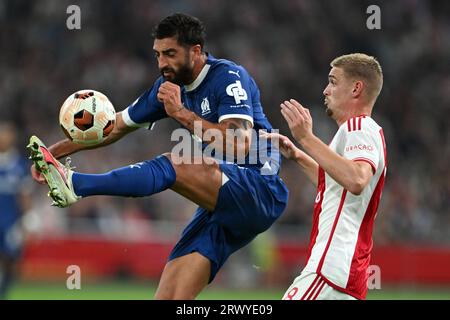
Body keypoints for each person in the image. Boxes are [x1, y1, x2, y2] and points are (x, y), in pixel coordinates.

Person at [28, 13, 288, 299]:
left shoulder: (228, 77)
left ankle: (77, 184)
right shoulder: (165, 88)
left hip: (259, 188)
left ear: (196, 51)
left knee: (174, 161)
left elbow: (238, 145)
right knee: (170, 298)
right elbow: (114, 128)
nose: (162, 63)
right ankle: (73, 181)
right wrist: (56, 151)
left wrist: (181, 114)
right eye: (158, 54)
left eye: (170, 54)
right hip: (221, 206)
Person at [266, 53, 386, 300]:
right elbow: (336, 183)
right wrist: (298, 155)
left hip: (331, 268)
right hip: (345, 273)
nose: (325, 90)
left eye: (333, 81)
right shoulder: (357, 133)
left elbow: (356, 180)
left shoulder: (359, 127)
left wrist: (307, 138)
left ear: (356, 88)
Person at [0, 122, 31, 299]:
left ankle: (4, 292)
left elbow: (25, 196)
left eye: (6, 134)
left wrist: (27, 222)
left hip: (11, 222)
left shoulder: (19, 165)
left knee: (10, 258)